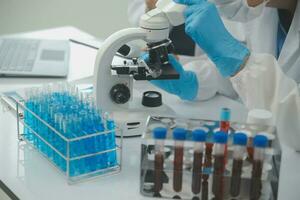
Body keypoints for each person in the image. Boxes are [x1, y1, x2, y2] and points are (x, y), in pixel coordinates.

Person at [148, 0, 300, 151]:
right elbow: (242, 77)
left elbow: (295, 123)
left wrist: (240, 62)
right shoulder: (265, 13)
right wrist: (195, 81)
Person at [128, 0, 247, 100]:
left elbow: (243, 70)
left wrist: (194, 81)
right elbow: (140, 19)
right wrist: (152, 7)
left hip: (222, 98)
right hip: (169, 87)